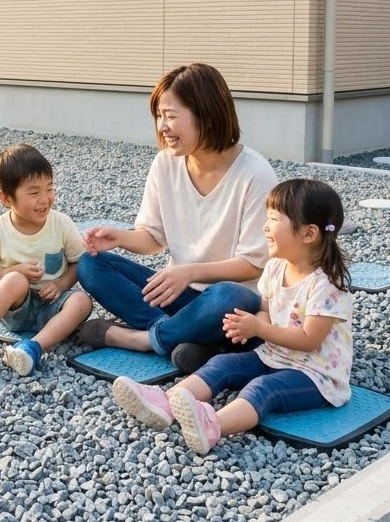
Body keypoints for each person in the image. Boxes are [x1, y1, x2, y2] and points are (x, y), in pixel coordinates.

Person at [110, 178, 354, 455]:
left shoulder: (327, 285)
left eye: (274, 219)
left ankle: (213, 425)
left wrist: (259, 330)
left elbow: (310, 339)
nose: (265, 226)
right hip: (276, 355)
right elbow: (266, 310)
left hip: (316, 375)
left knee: (264, 388)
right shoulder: (275, 268)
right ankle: (165, 404)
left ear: (308, 234)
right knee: (224, 363)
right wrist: (251, 327)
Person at [77, 63, 276, 369]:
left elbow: (252, 264)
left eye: (170, 116)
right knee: (91, 264)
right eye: (159, 116)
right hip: (178, 294)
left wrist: (189, 272)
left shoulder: (255, 174)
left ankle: (144, 339)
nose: (162, 127)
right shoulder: (164, 164)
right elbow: (154, 238)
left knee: (227, 296)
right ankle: (188, 338)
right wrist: (120, 238)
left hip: (229, 303)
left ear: (206, 113)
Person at [0, 144, 93, 376]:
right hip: (16, 311)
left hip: (54, 306)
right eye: (34, 193)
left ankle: (33, 348)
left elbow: (79, 262)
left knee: (82, 301)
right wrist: (16, 270)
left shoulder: (61, 223)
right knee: (15, 279)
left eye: (49, 188)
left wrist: (60, 285)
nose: (45, 199)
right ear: (5, 198)